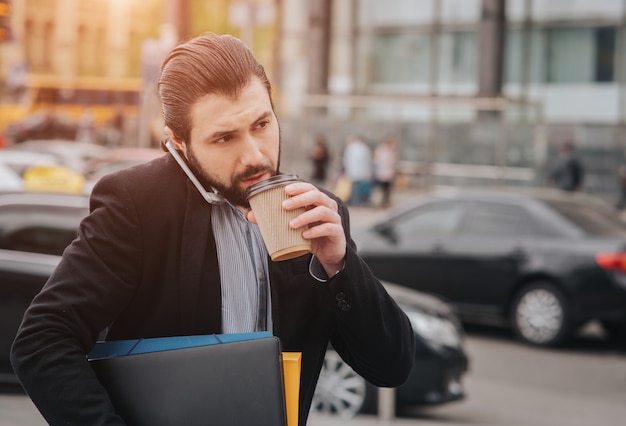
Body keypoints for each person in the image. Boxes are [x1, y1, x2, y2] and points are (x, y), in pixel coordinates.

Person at [11, 33, 415, 426]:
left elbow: (390, 366)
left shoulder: (316, 211)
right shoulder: (136, 204)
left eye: (261, 124)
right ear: (178, 142)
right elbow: (42, 341)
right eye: (224, 138)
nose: (254, 155)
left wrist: (341, 264)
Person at [342, 134, 373, 206]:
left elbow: (347, 160)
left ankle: (355, 201)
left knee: (355, 188)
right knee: (357, 188)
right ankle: (358, 201)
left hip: (354, 172)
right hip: (360, 172)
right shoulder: (363, 147)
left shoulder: (351, 148)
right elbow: (367, 161)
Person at [373, 135, 398, 207]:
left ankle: (385, 202)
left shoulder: (392, 150)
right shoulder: (382, 150)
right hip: (382, 173)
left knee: (387, 189)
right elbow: (378, 161)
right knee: (381, 189)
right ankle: (381, 202)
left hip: (388, 173)